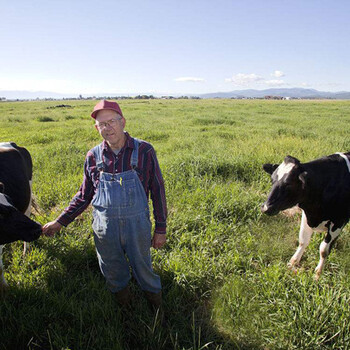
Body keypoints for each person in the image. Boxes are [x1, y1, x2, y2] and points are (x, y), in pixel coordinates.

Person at [43, 99, 167, 310]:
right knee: (112, 270)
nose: (108, 128)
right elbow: (84, 195)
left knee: (143, 268)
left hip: (137, 226)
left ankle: (158, 312)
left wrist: (161, 229)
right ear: (96, 128)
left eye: (112, 121)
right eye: (102, 124)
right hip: (104, 228)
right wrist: (60, 221)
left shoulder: (145, 150)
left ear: (123, 122)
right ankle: (126, 311)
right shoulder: (93, 156)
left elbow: (158, 190)